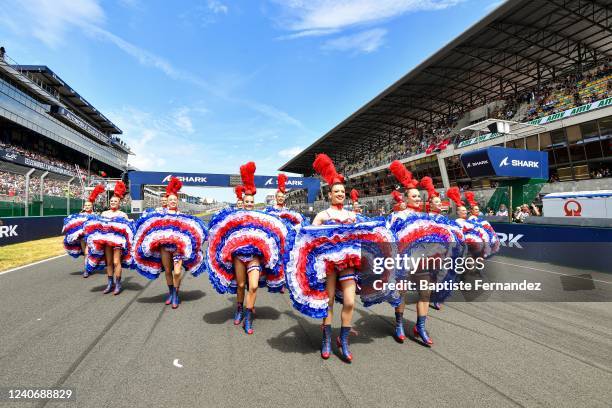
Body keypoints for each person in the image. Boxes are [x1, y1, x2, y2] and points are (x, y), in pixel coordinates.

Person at [310, 154, 358, 361]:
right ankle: (327, 339)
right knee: (327, 302)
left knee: (349, 302)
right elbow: (309, 240)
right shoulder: (322, 216)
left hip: (347, 264)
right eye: (336, 191)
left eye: (342, 192)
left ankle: (344, 340)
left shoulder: (352, 216)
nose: (340, 194)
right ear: (329, 194)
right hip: (328, 266)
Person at [133, 177, 208, 309]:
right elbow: (153, 228)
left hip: (178, 248)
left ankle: (176, 293)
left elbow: (189, 230)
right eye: (170, 200)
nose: (172, 202)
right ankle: (172, 293)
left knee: (177, 272)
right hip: (164, 247)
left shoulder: (182, 216)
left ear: (177, 201)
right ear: (167, 201)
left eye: (174, 200)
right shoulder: (160, 215)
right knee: (168, 271)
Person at [86, 181, 132, 295]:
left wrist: (130, 222)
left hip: (117, 242)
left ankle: (118, 283)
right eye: (111, 201)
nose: (113, 202)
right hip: (106, 242)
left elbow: (127, 228)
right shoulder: (104, 213)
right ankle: (110, 283)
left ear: (119, 203)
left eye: (115, 201)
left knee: (116, 262)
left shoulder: (122, 214)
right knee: (109, 262)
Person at [62, 184, 105, 278]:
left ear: (92, 206)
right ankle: (87, 269)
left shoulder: (96, 215)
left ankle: (89, 267)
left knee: (90, 252)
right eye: (85, 205)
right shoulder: (79, 215)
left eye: (89, 205)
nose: (87, 206)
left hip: (93, 237)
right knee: (86, 252)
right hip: (83, 237)